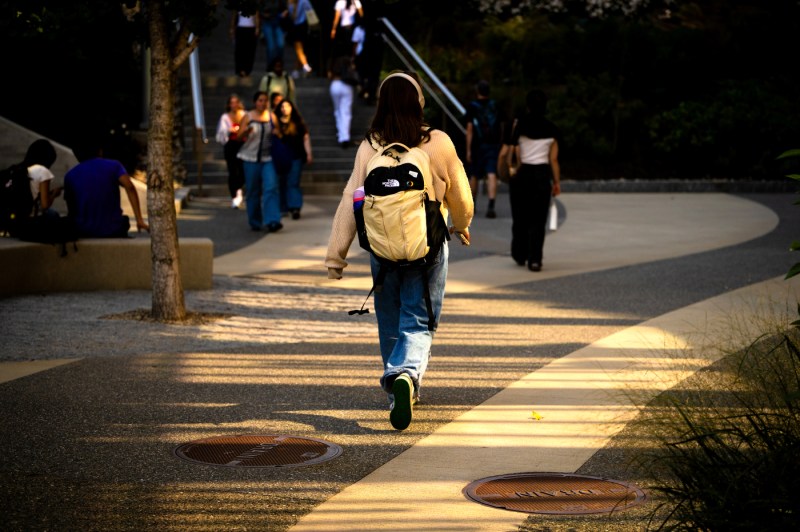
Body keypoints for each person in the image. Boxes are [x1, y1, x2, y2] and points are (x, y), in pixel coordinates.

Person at [325, 71, 474, 431]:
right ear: (418, 102)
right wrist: (462, 222)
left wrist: (336, 254)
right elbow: (461, 197)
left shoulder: (369, 147)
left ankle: (397, 388)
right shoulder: (437, 142)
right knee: (419, 318)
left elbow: (352, 198)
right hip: (429, 245)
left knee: (389, 315)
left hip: (383, 249)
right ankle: (406, 375)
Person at [507, 89, 561, 272]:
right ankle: (535, 259)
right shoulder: (552, 129)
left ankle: (519, 253)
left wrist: (511, 169)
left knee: (520, 217)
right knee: (538, 220)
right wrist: (557, 182)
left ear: (528, 105)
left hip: (523, 175)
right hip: (542, 176)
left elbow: (515, 152)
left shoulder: (520, 126)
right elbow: (553, 159)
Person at [64, 138, 149, 238]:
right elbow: (129, 187)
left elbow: (71, 207)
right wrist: (139, 220)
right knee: (123, 221)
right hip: (113, 229)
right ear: (100, 151)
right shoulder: (114, 166)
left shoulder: (70, 175)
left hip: (83, 230)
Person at [237, 91, 283, 233]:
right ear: (255, 102)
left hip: (267, 158)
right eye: (260, 100)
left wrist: (278, 134)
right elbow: (239, 137)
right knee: (253, 191)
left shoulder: (271, 116)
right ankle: (255, 221)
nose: (263, 103)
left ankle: (272, 220)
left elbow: (279, 134)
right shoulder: (248, 117)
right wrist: (246, 132)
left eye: (265, 101)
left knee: (271, 187)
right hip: (250, 158)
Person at [465, 80, 501, 219]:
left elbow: (469, 129)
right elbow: (501, 124)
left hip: (477, 145)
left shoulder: (472, 106)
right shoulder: (494, 105)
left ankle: (472, 204)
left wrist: (468, 149)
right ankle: (491, 205)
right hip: (492, 144)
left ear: (477, 91)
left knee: (474, 174)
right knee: (492, 173)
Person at [274, 99, 312, 219]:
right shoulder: (275, 123)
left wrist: (309, 153)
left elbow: (305, 138)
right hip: (280, 157)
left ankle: (295, 207)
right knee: (281, 182)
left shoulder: (298, 123)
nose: (284, 108)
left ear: (292, 108)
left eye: (287, 106)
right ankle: (283, 207)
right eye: (282, 106)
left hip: (296, 156)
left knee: (293, 182)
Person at [215, 94, 247, 209]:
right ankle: (234, 196)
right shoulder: (225, 117)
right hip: (231, 145)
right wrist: (229, 130)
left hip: (243, 145)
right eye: (231, 103)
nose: (234, 105)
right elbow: (221, 132)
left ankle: (238, 188)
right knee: (232, 170)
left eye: (236, 102)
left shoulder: (244, 115)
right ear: (229, 104)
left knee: (243, 170)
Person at [329, 55, 357, 149]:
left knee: (337, 111)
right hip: (346, 86)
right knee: (345, 112)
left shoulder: (334, 61)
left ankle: (341, 134)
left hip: (335, 84)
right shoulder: (348, 60)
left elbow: (329, 74)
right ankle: (344, 136)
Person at [286, 0, 313, 78]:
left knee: (299, 49)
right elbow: (291, 16)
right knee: (299, 49)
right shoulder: (290, 2)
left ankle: (304, 66)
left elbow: (310, 12)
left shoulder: (304, 1)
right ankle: (297, 70)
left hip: (302, 26)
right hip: (294, 27)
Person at [230, 9, 259, 77]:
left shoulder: (253, 5)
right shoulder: (238, 5)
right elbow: (234, 17)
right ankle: (240, 69)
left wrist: (257, 28)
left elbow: (256, 16)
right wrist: (232, 29)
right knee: (239, 50)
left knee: (249, 50)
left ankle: (247, 69)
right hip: (240, 29)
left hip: (251, 29)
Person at [260, 0, 288, 70]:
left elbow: (285, 8)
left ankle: (279, 65)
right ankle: (270, 66)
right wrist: (264, 14)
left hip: (278, 22)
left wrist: (284, 13)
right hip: (267, 22)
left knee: (280, 44)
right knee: (271, 46)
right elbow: (260, 10)